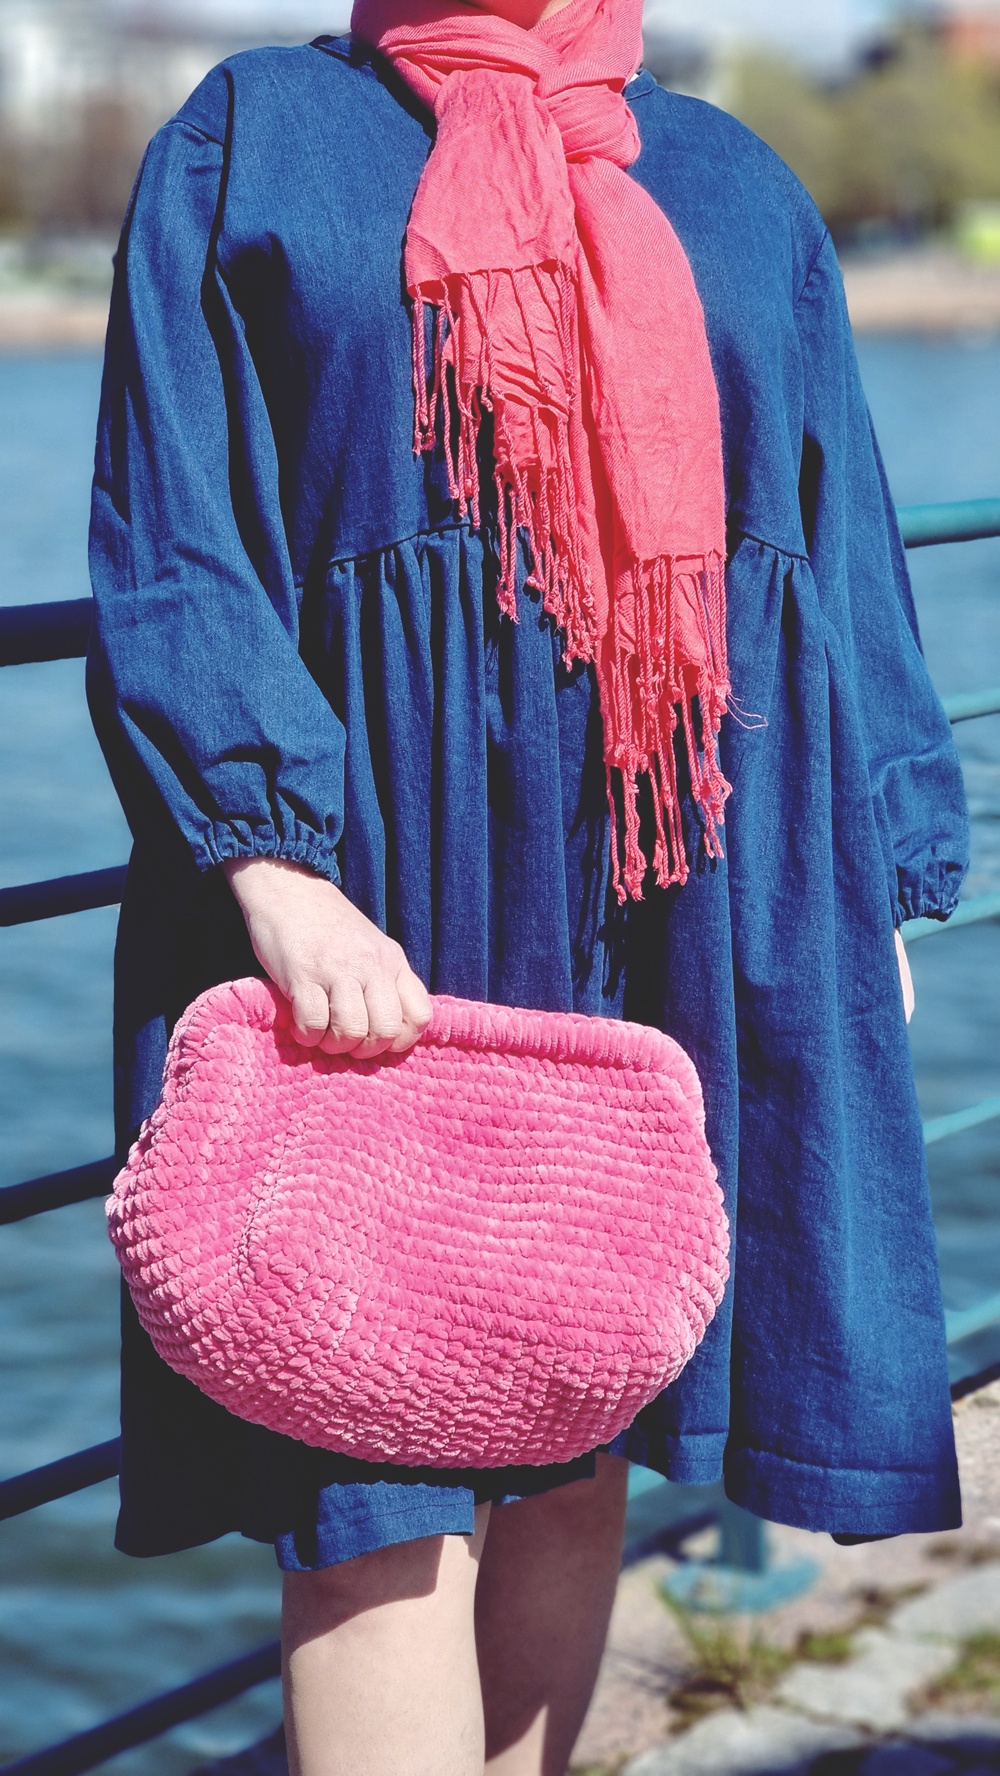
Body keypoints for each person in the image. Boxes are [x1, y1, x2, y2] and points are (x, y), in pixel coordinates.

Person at [85, 0, 969, 1767]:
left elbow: (840, 546)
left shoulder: (735, 183)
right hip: (371, 897)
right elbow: (175, 529)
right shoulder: (254, 137)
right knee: (368, 1481)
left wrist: (878, 864)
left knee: (580, 1429)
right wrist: (273, 858)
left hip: (671, 883)